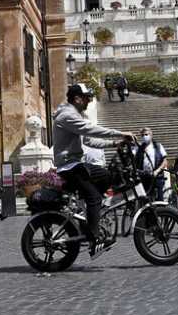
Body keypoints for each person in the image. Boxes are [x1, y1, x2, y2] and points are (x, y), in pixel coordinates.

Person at [52, 83, 135, 256]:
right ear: (77, 99)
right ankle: (94, 240)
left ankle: (89, 211)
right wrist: (119, 133)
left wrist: (114, 143)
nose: (89, 100)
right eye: (86, 97)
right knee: (94, 197)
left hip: (76, 164)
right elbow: (90, 130)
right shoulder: (67, 115)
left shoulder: (75, 114)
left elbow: (88, 140)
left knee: (106, 176)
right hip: (69, 167)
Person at [136, 127, 168, 203]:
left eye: (146, 134)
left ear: (151, 135)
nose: (144, 136)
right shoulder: (139, 148)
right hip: (144, 178)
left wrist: (158, 170)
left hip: (157, 177)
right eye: (143, 135)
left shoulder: (158, 146)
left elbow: (165, 161)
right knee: (145, 201)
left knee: (159, 200)